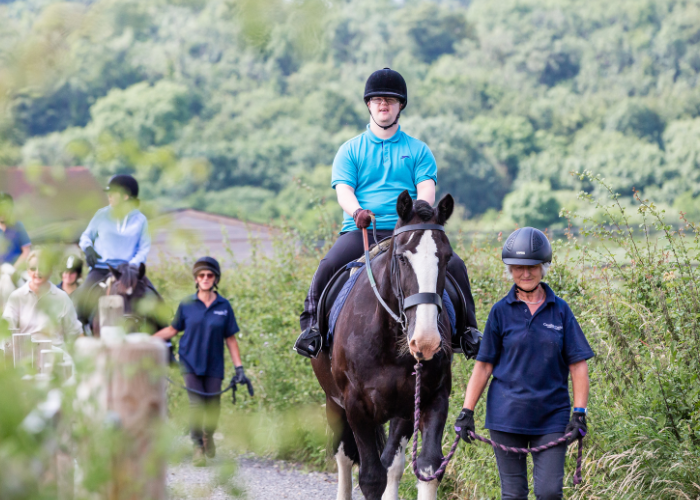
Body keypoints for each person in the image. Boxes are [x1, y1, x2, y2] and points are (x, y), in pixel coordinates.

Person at [295, 67, 478, 358]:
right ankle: (312, 330)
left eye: (390, 100)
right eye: (378, 99)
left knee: (455, 266)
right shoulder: (350, 150)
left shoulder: (418, 150)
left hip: (407, 232)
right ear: (369, 104)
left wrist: (420, 215)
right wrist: (357, 212)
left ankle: (468, 331)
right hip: (363, 230)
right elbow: (344, 189)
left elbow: (426, 188)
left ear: (400, 106)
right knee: (328, 264)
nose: (384, 104)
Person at [454, 227, 594, 500]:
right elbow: (483, 366)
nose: (526, 273)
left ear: (543, 268)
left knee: (550, 492)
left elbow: (578, 366)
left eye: (532, 267)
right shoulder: (499, 312)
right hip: (506, 416)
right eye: (519, 267)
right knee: (514, 494)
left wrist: (579, 413)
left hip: (551, 417)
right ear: (510, 270)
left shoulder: (561, 310)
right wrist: (466, 411)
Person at [154, 257, 252, 466]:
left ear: (215, 278)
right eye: (201, 275)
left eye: (209, 275)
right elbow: (172, 330)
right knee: (196, 405)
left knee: (213, 407)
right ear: (196, 279)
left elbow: (231, 339)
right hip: (189, 363)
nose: (205, 278)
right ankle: (198, 446)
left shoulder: (224, 306)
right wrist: (146, 339)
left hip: (214, 364)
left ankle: (209, 435)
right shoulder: (187, 304)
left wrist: (239, 368)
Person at [75, 174, 151, 321]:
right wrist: (88, 248)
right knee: (80, 302)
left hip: (129, 272)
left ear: (125, 196)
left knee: (154, 296)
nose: (109, 196)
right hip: (102, 268)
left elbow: (143, 249)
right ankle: (77, 334)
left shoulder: (140, 220)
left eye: (113, 193)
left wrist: (130, 268)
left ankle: (165, 341)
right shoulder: (101, 215)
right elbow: (85, 237)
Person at [2, 249, 82, 345]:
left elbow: (75, 332)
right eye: (33, 268)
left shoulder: (62, 297)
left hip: (56, 353)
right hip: (27, 355)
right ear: (27, 271)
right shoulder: (16, 296)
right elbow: (6, 328)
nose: (37, 272)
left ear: (51, 271)